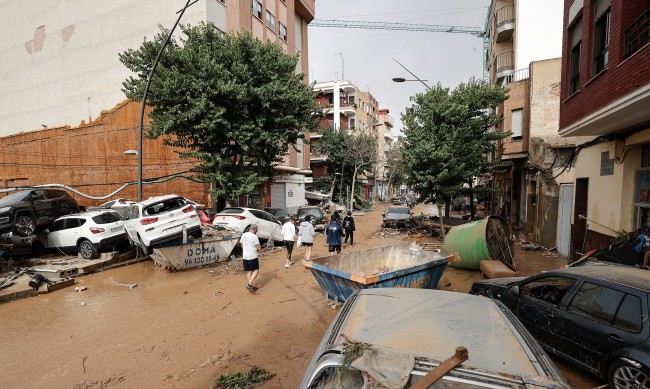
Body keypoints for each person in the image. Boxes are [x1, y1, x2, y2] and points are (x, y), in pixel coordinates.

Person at [240, 224, 262, 292]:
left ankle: (251, 285)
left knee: (249, 270)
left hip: (245, 256)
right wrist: (260, 248)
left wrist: (246, 249)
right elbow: (259, 248)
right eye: (256, 230)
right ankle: (249, 284)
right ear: (254, 230)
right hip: (253, 256)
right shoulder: (254, 236)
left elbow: (241, 244)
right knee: (256, 270)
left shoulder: (244, 235)